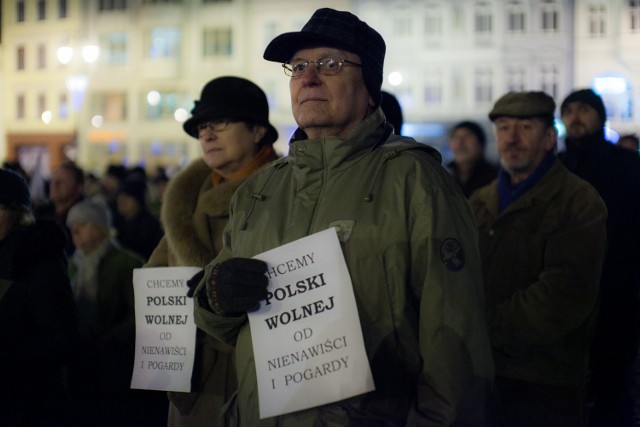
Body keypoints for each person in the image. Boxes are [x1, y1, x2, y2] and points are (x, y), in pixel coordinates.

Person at [192, 8, 494, 426]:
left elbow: (455, 340)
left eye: (330, 64)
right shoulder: (260, 191)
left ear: (369, 89)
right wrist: (215, 298)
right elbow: (221, 324)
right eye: (298, 67)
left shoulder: (416, 181)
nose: (309, 77)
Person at [146, 76, 280, 426]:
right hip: (187, 385)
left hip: (259, 381)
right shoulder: (186, 201)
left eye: (220, 122)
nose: (206, 134)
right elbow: (157, 272)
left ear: (258, 131)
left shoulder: (286, 193)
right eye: (202, 126)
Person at [469, 91, 608, 427]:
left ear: (549, 138)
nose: (512, 139)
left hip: (544, 380)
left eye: (525, 127)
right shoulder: (479, 201)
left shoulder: (578, 201)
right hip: (482, 374)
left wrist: (481, 329)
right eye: (503, 128)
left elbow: (564, 294)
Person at [559, 88, 640, 427]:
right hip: (563, 289)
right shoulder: (556, 166)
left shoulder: (626, 164)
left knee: (612, 377)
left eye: (584, 109)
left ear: (599, 116)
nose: (575, 116)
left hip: (615, 287)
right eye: (569, 110)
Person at [65, 199, 156, 426]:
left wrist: (115, 335)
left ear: (100, 227)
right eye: (72, 226)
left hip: (114, 361)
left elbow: (142, 312)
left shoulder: (127, 262)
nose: (75, 231)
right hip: (80, 359)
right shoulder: (72, 265)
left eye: (83, 224)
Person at [0, 168, 78, 426]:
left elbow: (62, 338)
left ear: (13, 212)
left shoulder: (37, 257)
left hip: (27, 404)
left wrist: (7, 357)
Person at [35, 160, 85, 255]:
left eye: (63, 181)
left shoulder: (84, 217)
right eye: (53, 180)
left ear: (79, 187)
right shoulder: (41, 213)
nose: (55, 185)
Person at [113, 177, 163, 261]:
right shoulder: (115, 223)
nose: (121, 199)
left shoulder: (152, 227)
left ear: (139, 200)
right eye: (120, 195)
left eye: (128, 196)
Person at [447, 121, 498, 198]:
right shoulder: (443, 175)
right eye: (455, 137)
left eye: (467, 136)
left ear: (480, 143)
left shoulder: (496, 178)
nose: (460, 143)